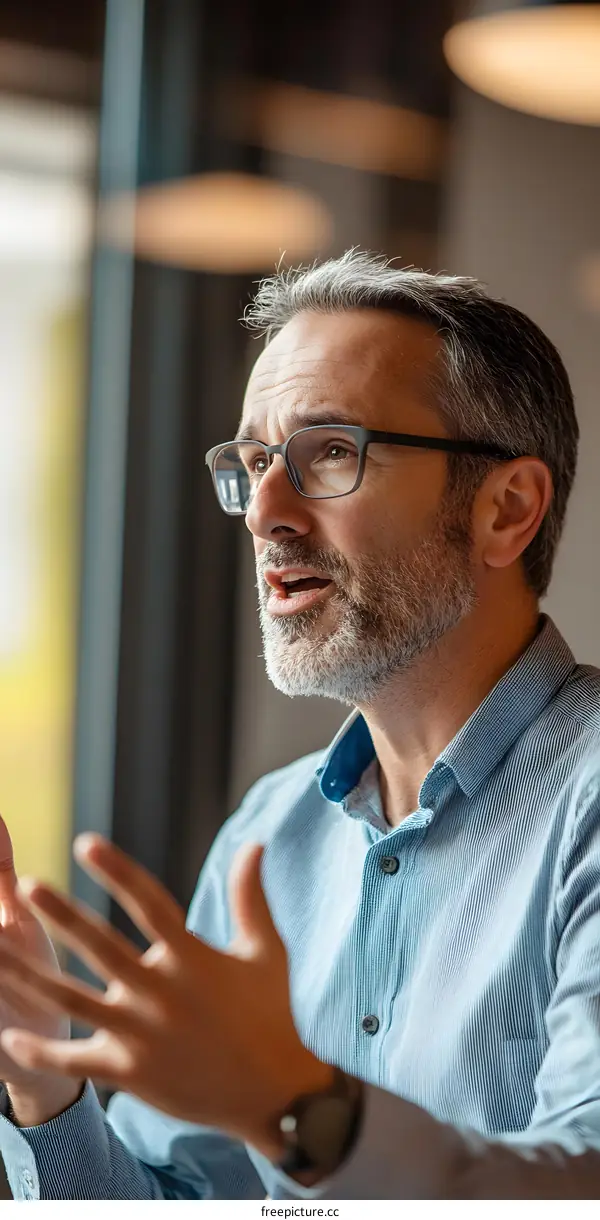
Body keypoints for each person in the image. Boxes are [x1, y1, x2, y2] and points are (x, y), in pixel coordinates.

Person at [0, 249, 600, 1201]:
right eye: (252, 462)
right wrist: (41, 1076)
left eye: (330, 452)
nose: (265, 513)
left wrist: (295, 1108)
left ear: (506, 509)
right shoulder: (270, 835)